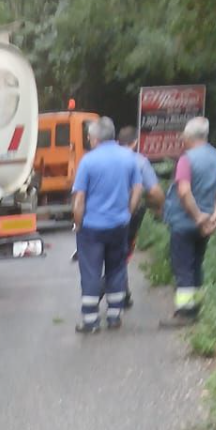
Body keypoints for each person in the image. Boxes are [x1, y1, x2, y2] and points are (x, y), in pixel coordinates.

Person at [71, 117, 142, 333]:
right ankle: (114, 316)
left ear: (96, 138)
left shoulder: (88, 161)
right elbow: (138, 190)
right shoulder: (129, 158)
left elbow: (80, 199)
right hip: (119, 225)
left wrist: (78, 223)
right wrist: (127, 212)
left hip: (92, 227)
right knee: (116, 269)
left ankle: (91, 321)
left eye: (90, 137)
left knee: (91, 272)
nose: (89, 141)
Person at [159, 117, 216, 328]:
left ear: (189, 137)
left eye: (183, 137)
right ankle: (196, 309)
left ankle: (185, 313)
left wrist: (197, 216)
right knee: (197, 264)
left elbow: (183, 190)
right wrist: (214, 215)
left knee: (183, 266)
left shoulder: (186, 160)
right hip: (206, 224)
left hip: (185, 222)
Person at [118, 126, 165, 308]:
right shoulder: (139, 162)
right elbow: (154, 191)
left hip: (102, 214)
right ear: (135, 142)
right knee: (123, 252)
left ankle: (122, 290)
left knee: (112, 253)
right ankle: (110, 289)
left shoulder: (100, 159)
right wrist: (160, 207)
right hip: (130, 213)